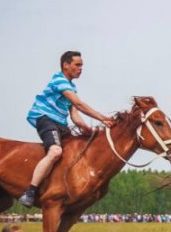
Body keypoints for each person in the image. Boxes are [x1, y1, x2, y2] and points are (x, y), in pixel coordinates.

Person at [18, 51, 114, 207]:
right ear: (66, 65)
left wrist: (88, 130)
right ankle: (30, 192)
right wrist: (102, 118)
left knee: (74, 152)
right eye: (77, 65)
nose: (81, 68)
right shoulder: (59, 80)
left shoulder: (72, 87)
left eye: (82, 65)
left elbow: (75, 116)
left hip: (61, 123)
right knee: (55, 152)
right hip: (45, 118)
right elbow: (79, 105)